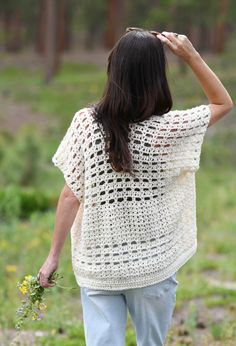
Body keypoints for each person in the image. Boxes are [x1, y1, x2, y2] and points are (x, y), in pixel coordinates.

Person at [37, 28, 233, 346]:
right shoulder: (169, 128)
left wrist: (53, 257)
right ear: (158, 75)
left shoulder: (85, 123)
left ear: (113, 68)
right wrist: (191, 55)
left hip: (99, 265)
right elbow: (222, 103)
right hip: (152, 266)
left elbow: (71, 194)